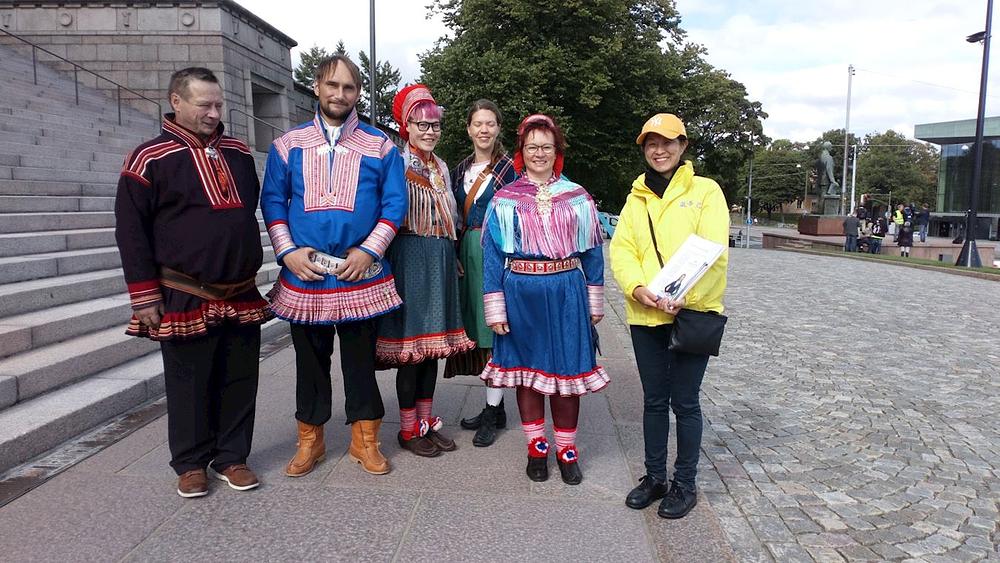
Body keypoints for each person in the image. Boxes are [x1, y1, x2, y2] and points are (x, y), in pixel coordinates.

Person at [115, 67, 271, 498]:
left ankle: (232, 457)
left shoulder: (239, 152)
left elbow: (248, 209)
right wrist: (144, 295)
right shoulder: (148, 158)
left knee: (240, 380)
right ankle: (189, 463)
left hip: (240, 290)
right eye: (204, 105)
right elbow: (131, 231)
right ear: (176, 102)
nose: (213, 112)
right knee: (188, 383)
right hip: (184, 290)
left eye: (218, 104)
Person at [260, 55, 407, 477]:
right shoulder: (288, 145)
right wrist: (287, 251)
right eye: (332, 85)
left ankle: (366, 441)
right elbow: (273, 201)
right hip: (305, 272)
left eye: (348, 87)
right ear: (317, 87)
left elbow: (394, 205)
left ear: (358, 93)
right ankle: (311, 440)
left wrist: (370, 251)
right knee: (309, 362)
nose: (339, 94)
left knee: (360, 361)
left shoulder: (380, 145)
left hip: (359, 271)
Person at [610, 113, 729, 520]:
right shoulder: (634, 198)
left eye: (667, 142)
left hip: (691, 313)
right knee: (654, 401)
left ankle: (684, 483)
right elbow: (622, 250)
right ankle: (654, 477)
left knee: (686, 401)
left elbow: (712, 250)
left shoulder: (706, 191)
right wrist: (638, 289)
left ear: (682, 146)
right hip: (646, 314)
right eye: (651, 143)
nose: (659, 150)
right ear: (644, 148)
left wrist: (681, 294)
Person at [479, 114, 607, 486]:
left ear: (557, 152)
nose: (539, 153)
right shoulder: (504, 200)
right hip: (520, 294)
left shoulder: (578, 197)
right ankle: (536, 448)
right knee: (528, 378)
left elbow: (594, 254)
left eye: (546, 147)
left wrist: (593, 302)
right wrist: (495, 306)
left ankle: (567, 451)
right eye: (532, 146)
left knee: (567, 374)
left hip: (567, 294)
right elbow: (491, 256)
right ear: (522, 151)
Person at [375, 84, 475, 457]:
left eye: (435, 126)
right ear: (407, 126)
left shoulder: (442, 167)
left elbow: (448, 217)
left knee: (433, 349)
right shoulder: (396, 163)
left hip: (440, 258)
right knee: (412, 350)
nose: (430, 131)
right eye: (422, 125)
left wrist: (453, 253)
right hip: (410, 256)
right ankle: (406, 428)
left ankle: (425, 421)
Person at [445, 99, 518, 447]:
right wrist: (455, 251)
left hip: (496, 253)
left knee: (495, 329)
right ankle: (495, 405)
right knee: (477, 329)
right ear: (469, 129)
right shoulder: (459, 170)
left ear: (498, 128)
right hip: (467, 252)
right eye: (478, 123)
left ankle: (494, 410)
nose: (484, 129)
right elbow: (454, 216)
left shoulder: (509, 169)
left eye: (490, 123)